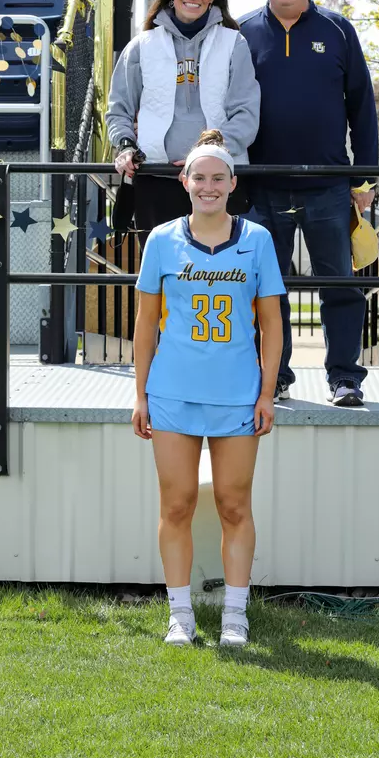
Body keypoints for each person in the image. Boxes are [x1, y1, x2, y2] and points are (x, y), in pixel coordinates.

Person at [133, 129, 284, 648]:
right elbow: (145, 324)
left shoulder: (257, 241)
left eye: (218, 177)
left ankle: (235, 616)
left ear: (233, 182)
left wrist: (266, 394)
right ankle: (180, 616)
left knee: (233, 505)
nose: (209, 185)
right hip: (173, 392)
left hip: (237, 395)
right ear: (185, 181)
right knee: (175, 505)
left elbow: (272, 326)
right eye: (200, 177)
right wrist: (140, 394)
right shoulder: (161, 240)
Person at [239, 0, 378, 408]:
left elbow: (362, 109)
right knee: (267, 293)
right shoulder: (241, 34)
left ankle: (344, 378)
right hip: (263, 188)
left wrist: (363, 178)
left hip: (329, 187)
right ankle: (274, 375)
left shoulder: (339, 30)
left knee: (340, 287)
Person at [106, 0, 260, 243]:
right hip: (156, 178)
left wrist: (204, 155)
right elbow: (119, 110)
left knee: (218, 273)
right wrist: (125, 146)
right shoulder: (142, 46)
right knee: (163, 277)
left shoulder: (234, 43)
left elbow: (246, 114)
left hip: (215, 182)